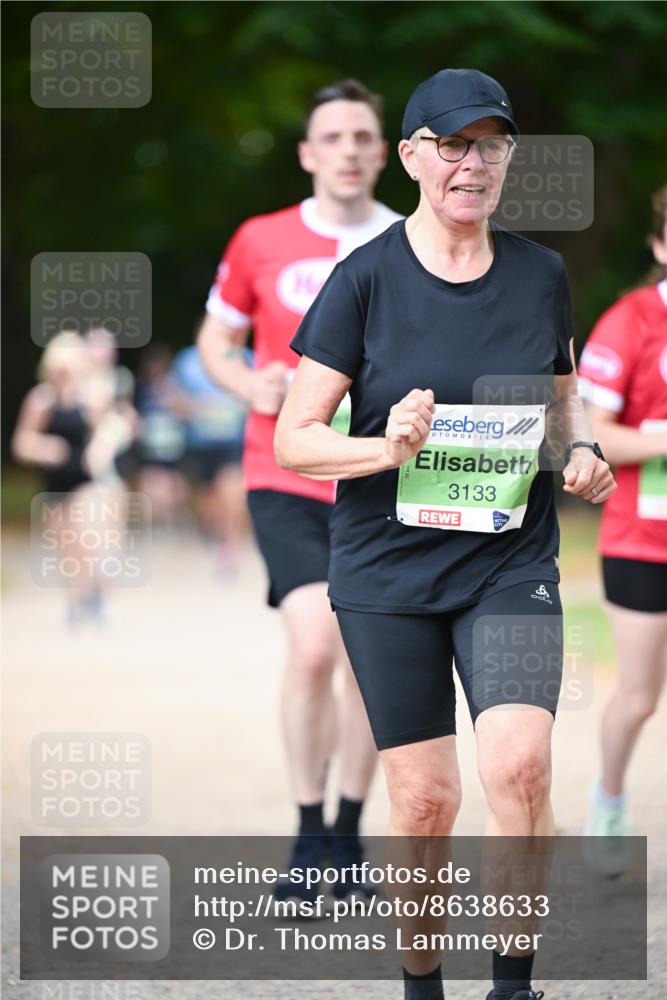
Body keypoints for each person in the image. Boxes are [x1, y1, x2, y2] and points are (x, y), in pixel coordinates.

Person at [275, 68, 616, 1000]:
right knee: (424, 804)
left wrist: (579, 451)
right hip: (386, 575)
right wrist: (384, 447)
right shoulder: (364, 280)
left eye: (492, 146)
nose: (475, 164)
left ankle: (513, 987)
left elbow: (559, 404)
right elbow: (293, 440)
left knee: (520, 763)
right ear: (412, 155)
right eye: (455, 145)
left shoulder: (541, 274)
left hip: (507, 563)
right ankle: (422, 986)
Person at [197, 79, 401, 896]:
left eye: (362, 137)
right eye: (333, 137)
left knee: (364, 657)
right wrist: (248, 387)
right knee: (314, 641)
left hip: (376, 471)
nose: (348, 150)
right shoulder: (260, 238)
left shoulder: (409, 240)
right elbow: (216, 342)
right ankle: (309, 831)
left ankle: (349, 834)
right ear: (308, 154)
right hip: (281, 466)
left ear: (384, 153)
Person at [579, 184, 667, 863]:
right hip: (642, 541)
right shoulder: (630, 321)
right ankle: (606, 800)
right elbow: (589, 433)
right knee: (638, 696)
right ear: (660, 246)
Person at [12, 331, 130, 626]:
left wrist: (100, 449)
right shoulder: (40, 400)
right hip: (54, 482)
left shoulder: (91, 397)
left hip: (86, 479)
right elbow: (22, 442)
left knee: (85, 536)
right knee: (67, 547)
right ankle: (76, 599)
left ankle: (96, 594)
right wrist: (44, 448)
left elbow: (113, 428)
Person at [171, 343, 250, 570]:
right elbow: (174, 398)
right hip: (200, 443)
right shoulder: (186, 360)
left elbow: (257, 393)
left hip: (233, 442)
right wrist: (196, 408)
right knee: (208, 501)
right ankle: (215, 533)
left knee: (233, 490)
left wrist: (242, 404)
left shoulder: (245, 356)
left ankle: (232, 545)